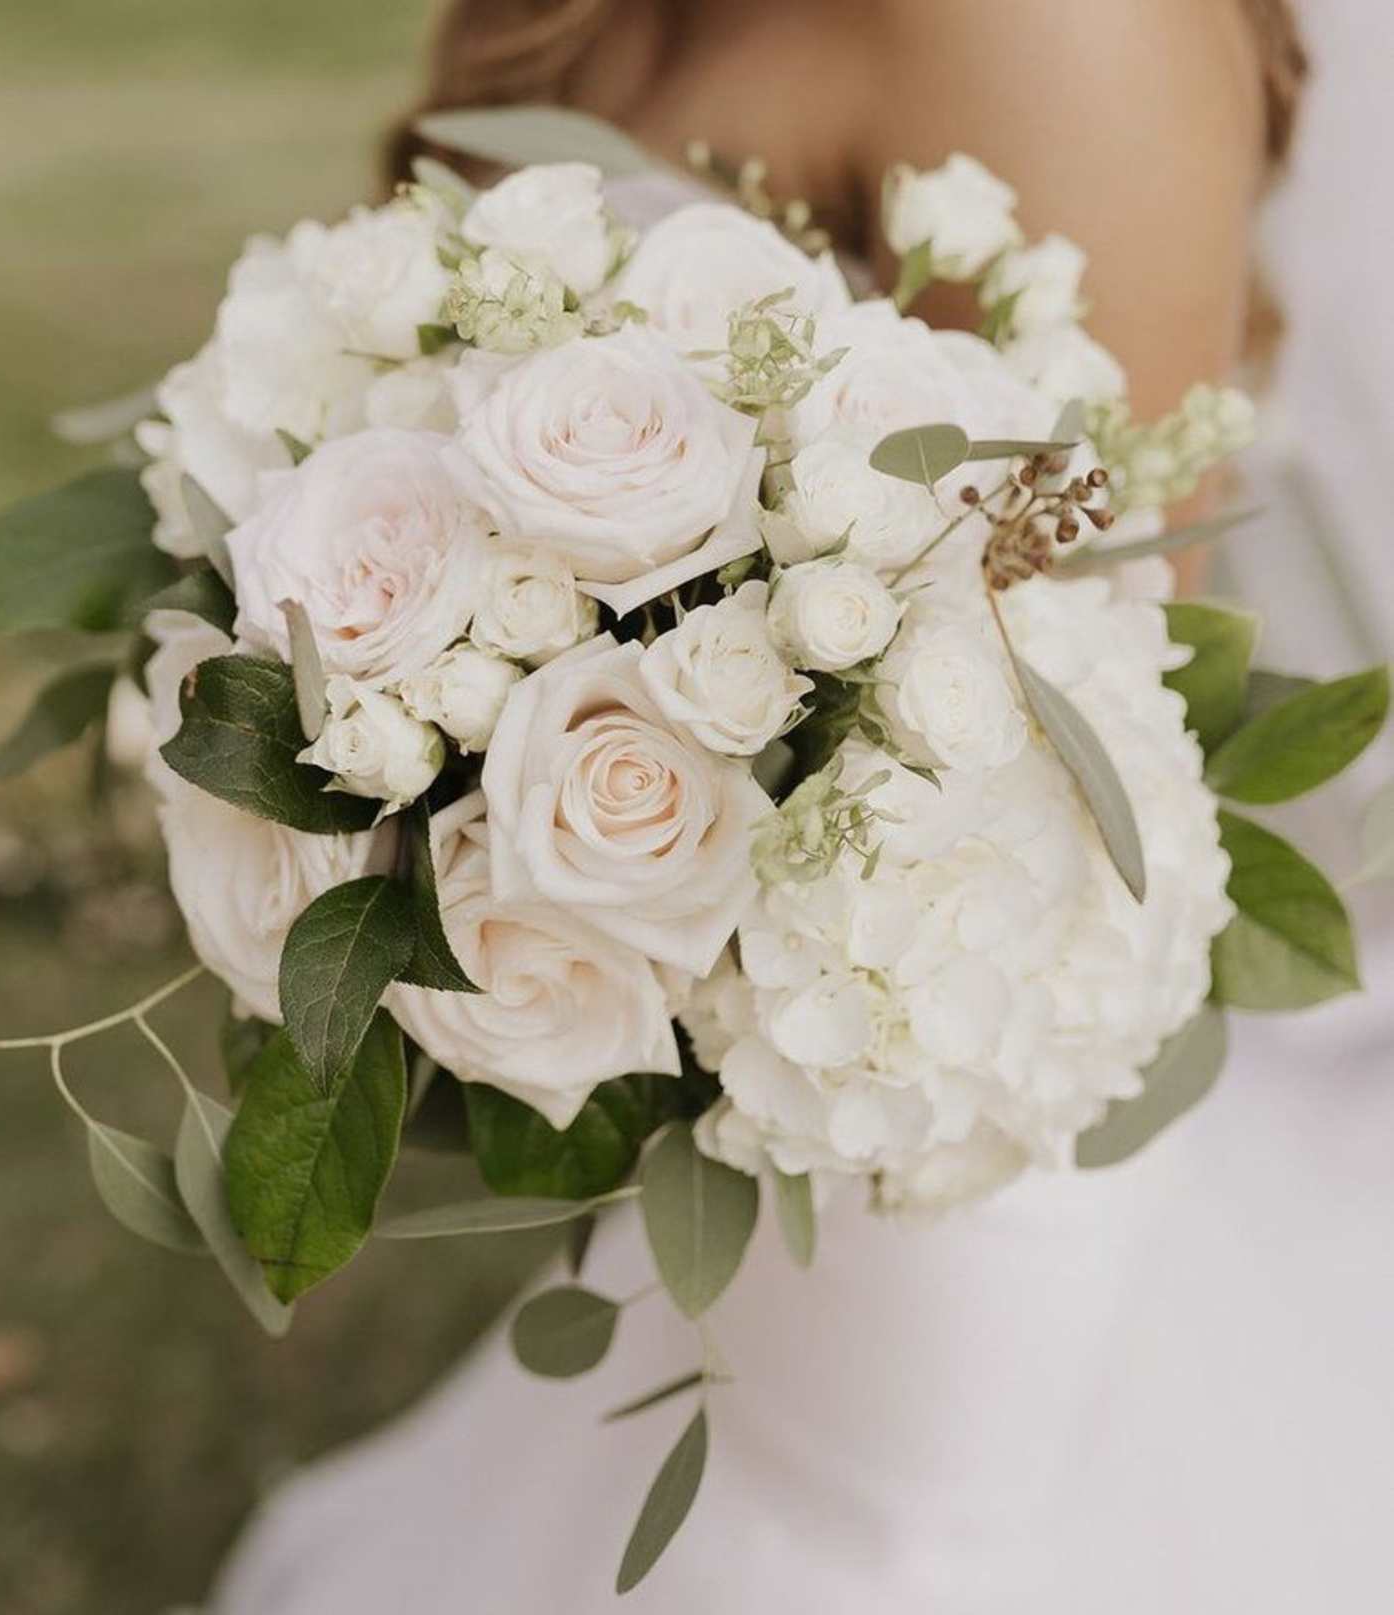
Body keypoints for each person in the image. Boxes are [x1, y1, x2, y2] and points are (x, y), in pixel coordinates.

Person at [214, 2, 1394, 1608]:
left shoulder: (1076, 35)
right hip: (726, 1075)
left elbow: (1068, 703)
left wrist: (609, 798)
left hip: (914, 1074)